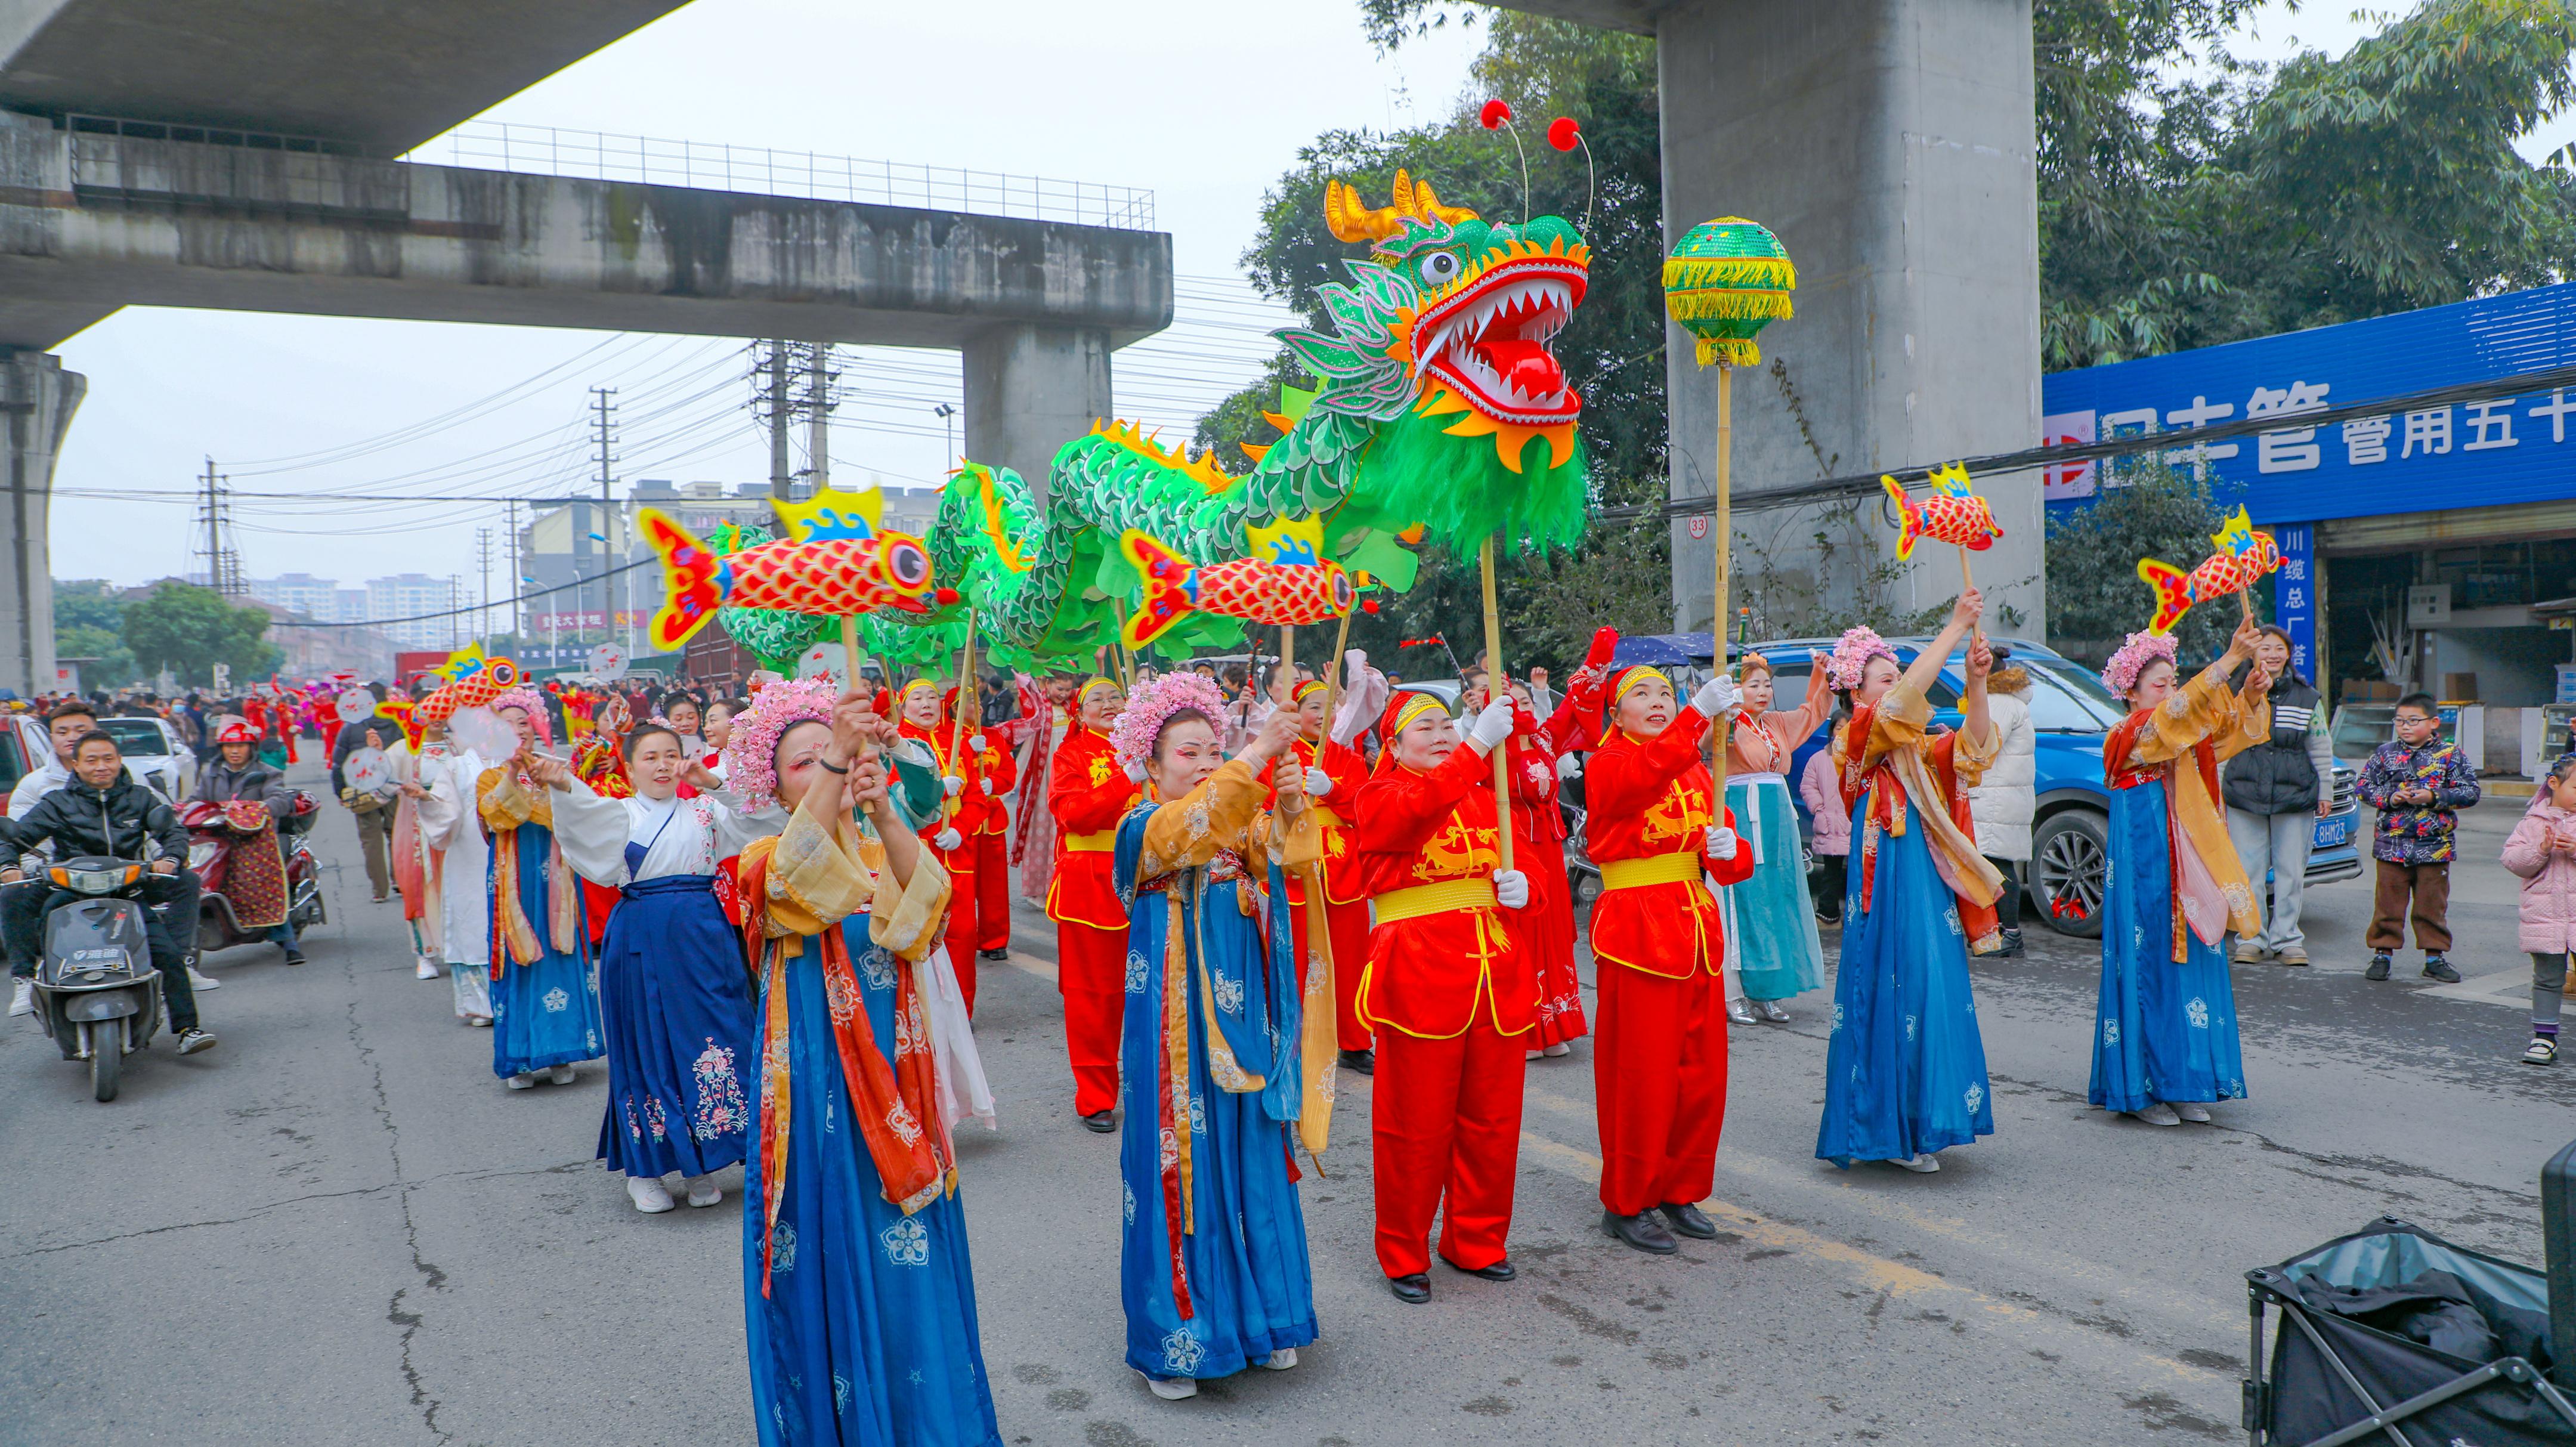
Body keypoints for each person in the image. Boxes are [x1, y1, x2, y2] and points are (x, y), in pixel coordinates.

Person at [730, 679, 1000, 1447]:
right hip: (821, 1083)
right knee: (835, 1236)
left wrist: (884, 807)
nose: (826, 769)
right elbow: (793, 884)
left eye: (835, 756)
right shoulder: (759, 858)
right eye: (802, 764)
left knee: (910, 1250)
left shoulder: (883, 842)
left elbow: (926, 918)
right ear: (774, 784)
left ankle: (930, 1421)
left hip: (901, 1082)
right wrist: (838, 755)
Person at [1111, 673, 1325, 1397]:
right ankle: (1176, 1337)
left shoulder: (1238, 815)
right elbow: (1191, 827)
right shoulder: (1141, 826)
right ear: (1151, 764)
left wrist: (1292, 805)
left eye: (1213, 748)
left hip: (1245, 1022)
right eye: (1187, 751)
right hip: (1175, 1028)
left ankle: (1266, 1318)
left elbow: (1294, 859)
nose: (1204, 761)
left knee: (1252, 1156)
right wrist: (1260, 749)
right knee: (1185, 1162)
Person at [535, 722, 767, 1214]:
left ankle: (703, 1161)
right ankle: (645, 1170)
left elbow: (765, 825)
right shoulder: (618, 813)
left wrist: (714, 783)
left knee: (718, 1035)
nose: (662, 765)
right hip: (641, 934)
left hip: (703, 936)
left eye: (670, 755)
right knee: (648, 1044)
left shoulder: (706, 810)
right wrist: (563, 785)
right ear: (629, 767)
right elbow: (585, 828)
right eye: (649, 757)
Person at [1353, 685, 1538, 1298]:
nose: (1439, 735)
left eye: (1446, 726)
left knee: (1491, 1119)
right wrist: (1479, 743)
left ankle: (1475, 1238)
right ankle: (1403, 1250)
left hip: (1495, 969)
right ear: (1393, 742)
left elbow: (1527, 865)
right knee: (1415, 1122)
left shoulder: (1486, 798)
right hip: (1419, 972)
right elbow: (1414, 813)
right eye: (1423, 727)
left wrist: (1522, 887)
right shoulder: (1378, 793)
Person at [1815, 598, 2005, 1174]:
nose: (1896, 681)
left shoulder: (1918, 747)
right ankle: (1887, 1126)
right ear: (1856, 692)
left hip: (1922, 872)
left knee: (1932, 985)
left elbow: (1974, 746)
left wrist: (1975, 683)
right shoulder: (1856, 736)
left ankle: (1925, 1118)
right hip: (1886, 873)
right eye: (1884, 675)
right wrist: (1950, 629)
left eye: (1897, 671)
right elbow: (1900, 704)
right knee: (1895, 984)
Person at [1581, 664, 1756, 1251]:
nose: (1657, 701)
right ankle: (1627, 1199)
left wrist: (1731, 849)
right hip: (1637, 930)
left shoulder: (1696, 767)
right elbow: (1636, 782)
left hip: (1695, 927)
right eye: (1641, 694)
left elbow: (1730, 865)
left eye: (1666, 692)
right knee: (1641, 1076)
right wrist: (1696, 714)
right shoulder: (1608, 762)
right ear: (1615, 712)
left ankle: (1678, 1187)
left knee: (1699, 1076)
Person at [2091, 624, 2271, 1128]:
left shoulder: (2178, 729)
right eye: (2159, 683)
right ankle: (2144, 1086)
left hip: (2188, 844)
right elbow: (2178, 717)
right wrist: (2230, 659)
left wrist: (2248, 696)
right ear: (2130, 691)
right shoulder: (2129, 733)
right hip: (2147, 845)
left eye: (2174, 680)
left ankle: (2186, 1079)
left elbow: (2221, 734)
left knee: (2195, 949)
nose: (2170, 691)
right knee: (2150, 953)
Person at [1, 729, 215, 1053]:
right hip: (68, 891)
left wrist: (169, 859)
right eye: (91, 760)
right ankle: (25, 978)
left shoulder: (141, 798)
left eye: (108, 759)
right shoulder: (57, 803)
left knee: (170, 942)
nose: (101, 766)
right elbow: (16, 838)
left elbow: (173, 831)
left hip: (127, 891)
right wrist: (8, 865)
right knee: (12, 894)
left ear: (118, 761)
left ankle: (187, 1027)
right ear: (75, 765)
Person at [475, 689, 606, 1089]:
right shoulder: (490, 777)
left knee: (558, 954)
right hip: (515, 883)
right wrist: (515, 775)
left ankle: (562, 1052)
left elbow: (577, 815)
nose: (521, 730)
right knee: (521, 959)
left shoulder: (554, 770)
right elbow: (497, 818)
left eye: (526, 723)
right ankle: (521, 1058)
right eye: (511, 725)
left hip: (557, 884)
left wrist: (556, 784)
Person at [1719, 651, 1835, 1018]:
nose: (1763, 691)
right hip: (1740, 810)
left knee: (1778, 895)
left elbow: (1813, 712)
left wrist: (1820, 673)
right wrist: (1724, 712)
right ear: (1737, 688)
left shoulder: (1776, 724)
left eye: (1767, 684)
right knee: (1743, 898)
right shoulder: (1728, 721)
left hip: (1777, 814)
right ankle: (1735, 990)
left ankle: (1769, 988)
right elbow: (1706, 743)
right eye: (1753, 684)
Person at [1044, 676, 1136, 1131]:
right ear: (1079, 713)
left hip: (1145, 876)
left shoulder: (1152, 747)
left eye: (1115, 696)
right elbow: (1073, 814)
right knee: (1093, 998)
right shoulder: (1072, 754)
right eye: (1096, 699)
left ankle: (1153, 1086)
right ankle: (1096, 1096)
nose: (1108, 704)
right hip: (1090, 882)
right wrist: (1127, 780)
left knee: (1149, 992)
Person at [2221, 626, 2332, 966]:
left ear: (2289, 654)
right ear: (2251, 654)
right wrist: (2217, 792)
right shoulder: (2233, 694)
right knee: (2247, 872)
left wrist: (2325, 789)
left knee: (2290, 871)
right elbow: (2221, 748)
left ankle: (2287, 938)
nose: (2272, 654)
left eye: (2279, 648)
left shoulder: (2307, 697)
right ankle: (2251, 938)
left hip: (2294, 795)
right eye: (2264, 648)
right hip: (2243, 794)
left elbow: (2320, 745)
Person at [2357, 692, 2481, 983]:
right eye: (2400, 721)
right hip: (2391, 847)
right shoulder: (2384, 754)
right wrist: (2391, 797)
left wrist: (2434, 797)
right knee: (2387, 905)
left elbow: (2471, 792)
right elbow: (2363, 787)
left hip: (2435, 847)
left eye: (2413, 721)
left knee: (2431, 906)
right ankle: (2382, 955)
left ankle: (2435, 958)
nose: (2406, 727)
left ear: (2434, 722)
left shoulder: (2451, 754)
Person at [896, 676, 988, 1013]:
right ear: (903, 708)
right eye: (917, 698)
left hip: (956, 851)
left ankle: (962, 1011)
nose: (926, 704)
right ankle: (921, 1010)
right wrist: (934, 791)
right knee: (919, 932)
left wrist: (961, 829)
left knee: (962, 935)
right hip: (917, 851)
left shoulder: (957, 743)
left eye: (932, 697)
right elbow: (893, 801)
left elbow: (978, 800)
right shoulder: (898, 745)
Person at [191, 719, 305, 967]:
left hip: (256, 840)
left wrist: (255, 809)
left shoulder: (267, 772)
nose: (234, 751)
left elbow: (280, 801)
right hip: (219, 839)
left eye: (241, 746)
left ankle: (288, 942)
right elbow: (196, 800)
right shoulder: (210, 772)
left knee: (261, 881)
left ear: (251, 747)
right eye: (229, 746)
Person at [2503, 753, 2576, 1065]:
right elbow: (2513, 861)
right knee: (2547, 979)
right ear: (2554, 784)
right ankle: (2544, 1038)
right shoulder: (2532, 823)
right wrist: (2541, 850)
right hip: (2544, 918)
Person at [1966, 648, 2036, 958]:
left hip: (1996, 797)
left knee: (1998, 863)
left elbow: (1983, 743)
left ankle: (2009, 933)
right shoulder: (2009, 702)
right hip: (2001, 796)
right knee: (1996, 861)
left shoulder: (1998, 704)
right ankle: (2000, 932)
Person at [333, 710, 403, 904]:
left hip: (363, 790)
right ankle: (400, 879)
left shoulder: (351, 728)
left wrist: (340, 791)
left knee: (371, 840)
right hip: (393, 787)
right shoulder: (397, 723)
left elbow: (339, 763)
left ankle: (379, 890)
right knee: (396, 834)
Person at [1800, 732, 1850, 925]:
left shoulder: (1859, 756)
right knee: (1831, 872)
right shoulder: (1819, 759)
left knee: (1859, 873)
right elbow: (1808, 786)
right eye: (1838, 727)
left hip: (1852, 824)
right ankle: (1828, 914)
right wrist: (1819, 808)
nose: (1841, 732)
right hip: (1829, 826)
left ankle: (1855, 916)